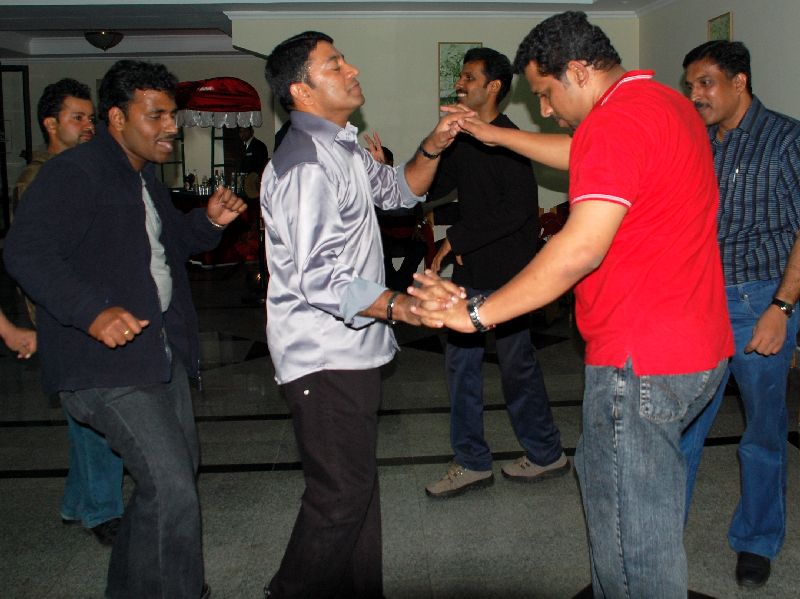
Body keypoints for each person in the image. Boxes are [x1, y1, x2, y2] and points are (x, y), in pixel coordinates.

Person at [410, 11, 733, 598]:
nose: (544, 109)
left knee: (631, 537)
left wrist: (475, 314)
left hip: (640, 357)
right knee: (640, 509)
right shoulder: (659, 102)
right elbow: (579, 149)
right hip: (695, 344)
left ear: (579, 71)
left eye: (545, 93)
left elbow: (579, 249)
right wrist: (496, 135)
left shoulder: (616, 122)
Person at [4, 58, 246, 599]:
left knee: (172, 479)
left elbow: (167, 246)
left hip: (156, 352)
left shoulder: (141, 177)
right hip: (104, 365)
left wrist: (209, 221)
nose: (170, 126)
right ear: (116, 117)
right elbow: (25, 252)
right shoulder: (75, 173)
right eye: (155, 114)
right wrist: (92, 312)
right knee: (171, 486)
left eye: (172, 114)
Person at [260, 31, 470, 598]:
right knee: (339, 497)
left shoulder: (343, 147)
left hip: (352, 351)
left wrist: (432, 145)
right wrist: (404, 305)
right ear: (302, 90)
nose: (351, 68)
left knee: (355, 489)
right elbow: (321, 278)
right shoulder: (305, 164)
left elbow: (399, 191)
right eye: (334, 64)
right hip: (321, 354)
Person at [419, 47, 567, 498]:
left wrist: (457, 239)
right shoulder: (464, 139)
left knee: (516, 366)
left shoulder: (509, 139)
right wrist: (412, 161)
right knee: (461, 364)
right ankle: (472, 462)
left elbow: (516, 211)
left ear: (493, 86)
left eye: (469, 77)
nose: (460, 84)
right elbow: (436, 186)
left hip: (508, 273)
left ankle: (546, 453)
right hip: (473, 269)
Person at [680, 40, 800, 589]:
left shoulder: (785, 139)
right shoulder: (698, 140)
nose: (696, 95)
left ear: (739, 82)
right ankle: (661, 530)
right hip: (699, 304)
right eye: (690, 85)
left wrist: (781, 307)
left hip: (759, 302)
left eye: (705, 83)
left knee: (762, 431)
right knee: (681, 424)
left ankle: (756, 539)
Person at [14, 77, 125, 547]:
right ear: (50, 123)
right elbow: (36, 259)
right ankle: (104, 512)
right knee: (100, 413)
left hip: (80, 310)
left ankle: (78, 501)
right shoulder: (41, 180)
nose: (87, 126)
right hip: (69, 314)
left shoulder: (79, 171)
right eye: (76, 118)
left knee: (83, 413)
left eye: (89, 118)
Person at [363, 137, 429, 292]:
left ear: (391, 163)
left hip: (408, 234)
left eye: (382, 162)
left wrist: (418, 227)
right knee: (378, 245)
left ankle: (399, 285)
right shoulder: (368, 184)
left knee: (420, 246)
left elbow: (417, 209)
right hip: (383, 235)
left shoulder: (404, 181)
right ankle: (395, 286)